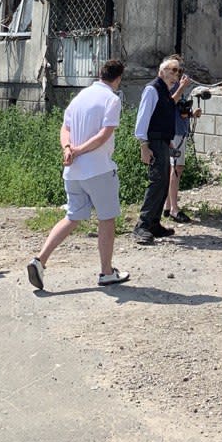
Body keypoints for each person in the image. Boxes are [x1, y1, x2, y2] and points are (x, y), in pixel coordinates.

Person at [26, 59, 130, 290]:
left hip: (72, 171)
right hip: (99, 168)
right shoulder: (111, 99)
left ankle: (40, 260)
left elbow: (65, 129)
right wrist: (80, 150)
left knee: (73, 216)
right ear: (118, 78)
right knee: (107, 218)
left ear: (99, 74)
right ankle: (106, 272)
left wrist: (68, 149)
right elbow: (105, 134)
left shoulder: (80, 97)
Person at [133, 57, 191, 243]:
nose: (176, 74)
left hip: (163, 142)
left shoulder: (164, 91)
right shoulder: (152, 89)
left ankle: (154, 223)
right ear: (162, 71)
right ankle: (142, 225)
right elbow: (143, 119)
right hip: (154, 142)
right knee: (156, 182)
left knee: (164, 181)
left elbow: (165, 113)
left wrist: (168, 140)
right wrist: (144, 145)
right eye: (173, 70)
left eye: (178, 71)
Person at [165, 60, 201, 224]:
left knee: (173, 168)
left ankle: (167, 205)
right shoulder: (172, 88)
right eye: (176, 71)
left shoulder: (175, 88)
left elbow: (180, 110)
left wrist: (192, 113)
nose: (179, 74)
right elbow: (171, 103)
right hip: (175, 133)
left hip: (180, 130)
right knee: (176, 168)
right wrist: (182, 87)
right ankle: (174, 208)